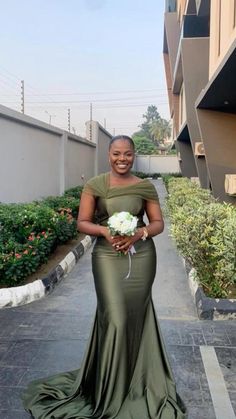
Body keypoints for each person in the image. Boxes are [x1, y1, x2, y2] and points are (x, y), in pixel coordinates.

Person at [22, 135, 186, 418]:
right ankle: (109, 389)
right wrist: (106, 232)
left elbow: (157, 222)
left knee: (137, 316)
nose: (122, 159)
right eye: (116, 154)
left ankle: (138, 383)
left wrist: (139, 232)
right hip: (108, 258)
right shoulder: (95, 185)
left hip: (142, 257)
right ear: (108, 155)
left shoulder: (145, 186)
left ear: (134, 155)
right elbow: (82, 222)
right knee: (116, 318)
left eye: (128, 154)